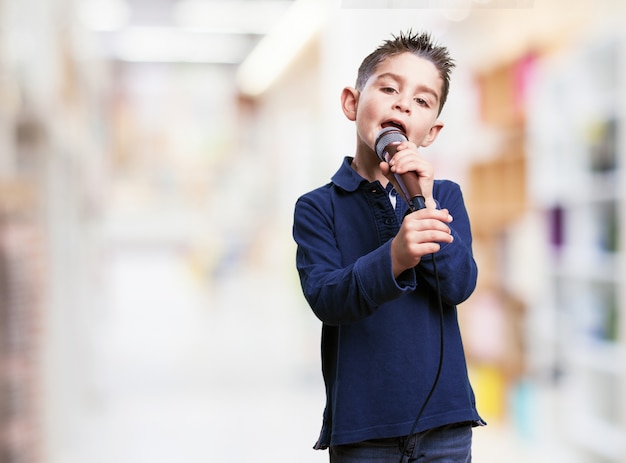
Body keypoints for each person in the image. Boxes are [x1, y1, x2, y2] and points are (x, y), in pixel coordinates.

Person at [292, 30, 485, 462]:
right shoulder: (316, 208)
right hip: (362, 429)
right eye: (389, 88)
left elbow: (458, 285)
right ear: (351, 103)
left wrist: (426, 202)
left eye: (421, 100)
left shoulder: (445, 197)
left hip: (445, 424)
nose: (403, 103)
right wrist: (395, 257)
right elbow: (328, 299)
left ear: (431, 131)